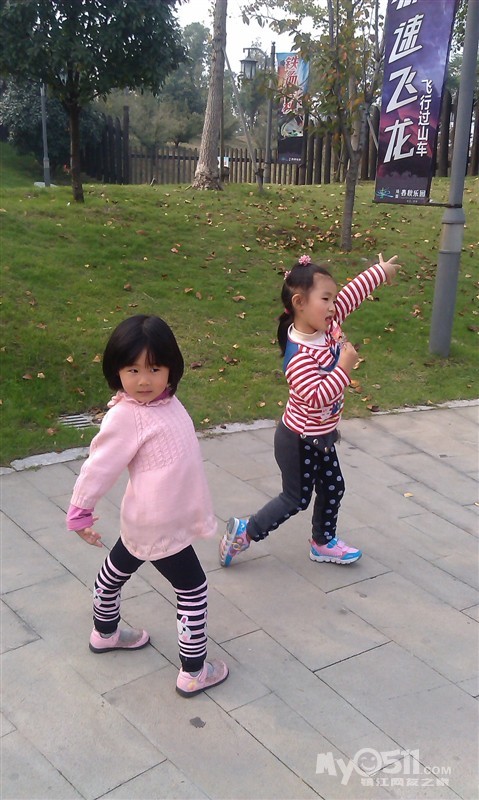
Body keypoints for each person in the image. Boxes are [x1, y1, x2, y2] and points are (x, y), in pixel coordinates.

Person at [67, 315, 228, 697]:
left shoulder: (165, 401)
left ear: (171, 368)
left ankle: (105, 632)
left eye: (154, 369)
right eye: (133, 370)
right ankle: (194, 670)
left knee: (116, 570)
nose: (144, 380)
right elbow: (100, 464)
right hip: (161, 523)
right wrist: (80, 510)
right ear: (116, 371)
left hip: (145, 518)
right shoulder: (126, 416)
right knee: (193, 589)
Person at [219, 253, 400, 568]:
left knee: (333, 487)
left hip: (321, 436)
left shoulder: (326, 322)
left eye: (333, 299)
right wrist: (344, 367)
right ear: (300, 303)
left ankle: (323, 542)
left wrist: (380, 272)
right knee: (295, 499)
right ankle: (245, 532)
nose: (333, 306)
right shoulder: (299, 356)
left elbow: (353, 293)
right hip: (299, 441)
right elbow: (317, 398)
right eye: (325, 299)